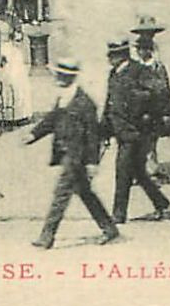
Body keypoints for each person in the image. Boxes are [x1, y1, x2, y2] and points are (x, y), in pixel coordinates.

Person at [27, 58, 119, 249]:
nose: (57, 78)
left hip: (76, 156)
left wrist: (92, 162)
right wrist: (33, 134)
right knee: (85, 193)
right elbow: (52, 120)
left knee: (61, 194)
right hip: (65, 152)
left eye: (60, 76)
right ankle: (109, 228)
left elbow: (93, 136)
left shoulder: (85, 103)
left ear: (68, 78)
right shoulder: (64, 96)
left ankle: (47, 236)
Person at [101, 40, 170, 224]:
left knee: (123, 170)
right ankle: (161, 202)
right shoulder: (113, 74)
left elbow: (160, 92)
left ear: (122, 55)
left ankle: (118, 214)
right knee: (138, 172)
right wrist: (104, 131)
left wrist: (147, 114)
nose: (109, 58)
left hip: (136, 132)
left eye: (113, 55)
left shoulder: (139, 71)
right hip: (121, 129)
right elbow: (109, 103)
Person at [133, 20, 170, 178]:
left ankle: (150, 168)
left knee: (151, 139)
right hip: (139, 108)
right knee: (139, 139)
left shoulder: (157, 66)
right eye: (138, 48)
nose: (140, 51)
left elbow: (164, 89)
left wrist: (166, 111)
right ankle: (141, 168)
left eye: (144, 48)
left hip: (154, 109)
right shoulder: (136, 65)